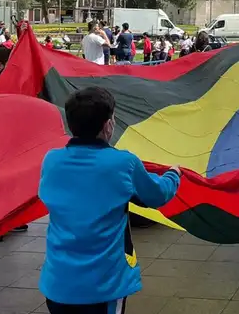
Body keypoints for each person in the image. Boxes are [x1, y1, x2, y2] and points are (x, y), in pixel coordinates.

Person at [38, 87, 181, 313]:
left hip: (58, 284)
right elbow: (157, 194)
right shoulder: (123, 163)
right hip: (102, 287)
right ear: (108, 125)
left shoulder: (52, 160)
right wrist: (173, 175)